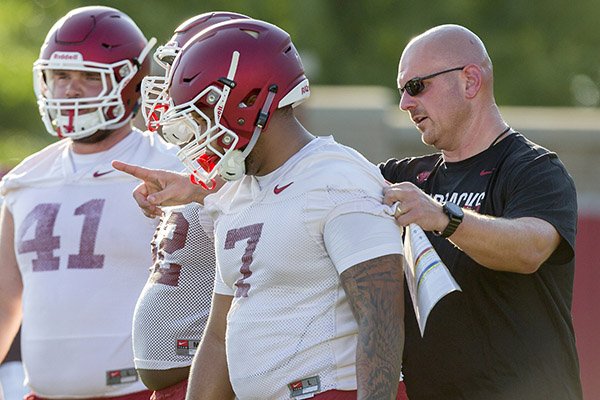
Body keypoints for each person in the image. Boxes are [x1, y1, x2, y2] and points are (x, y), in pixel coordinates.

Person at [113, 18, 408, 400]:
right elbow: (219, 336)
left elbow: (381, 320)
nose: (194, 135)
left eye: (200, 117)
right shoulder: (237, 194)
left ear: (249, 102)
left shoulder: (337, 177)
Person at [379, 24, 582, 400]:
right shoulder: (405, 177)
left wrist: (443, 217)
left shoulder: (535, 168)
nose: (405, 103)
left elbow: (530, 249)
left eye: (416, 86)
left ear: (470, 81)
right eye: (402, 91)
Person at [0, 6, 182, 399]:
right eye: (61, 76)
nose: (70, 89)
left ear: (129, 83)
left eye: (88, 77)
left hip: (144, 390)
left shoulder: (171, 167)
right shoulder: (25, 180)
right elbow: (5, 299)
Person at [131, 12, 249, 400]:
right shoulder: (199, 159)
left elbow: (262, 232)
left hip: (216, 383)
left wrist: (200, 194)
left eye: (180, 69)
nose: (167, 85)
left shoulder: (249, 163)